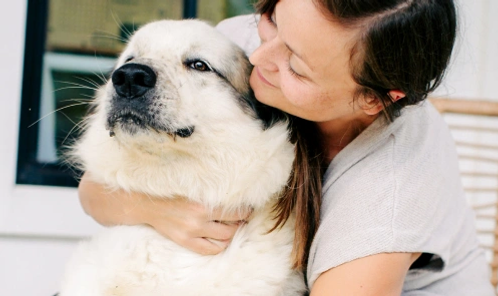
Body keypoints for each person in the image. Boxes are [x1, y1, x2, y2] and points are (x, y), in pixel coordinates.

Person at [78, 0, 496, 294]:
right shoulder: (253, 44)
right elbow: (93, 192)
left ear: (373, 98)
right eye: (271, 18)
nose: (258, 56)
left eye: (296, 65)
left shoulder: (387, 195)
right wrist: (157, 208)